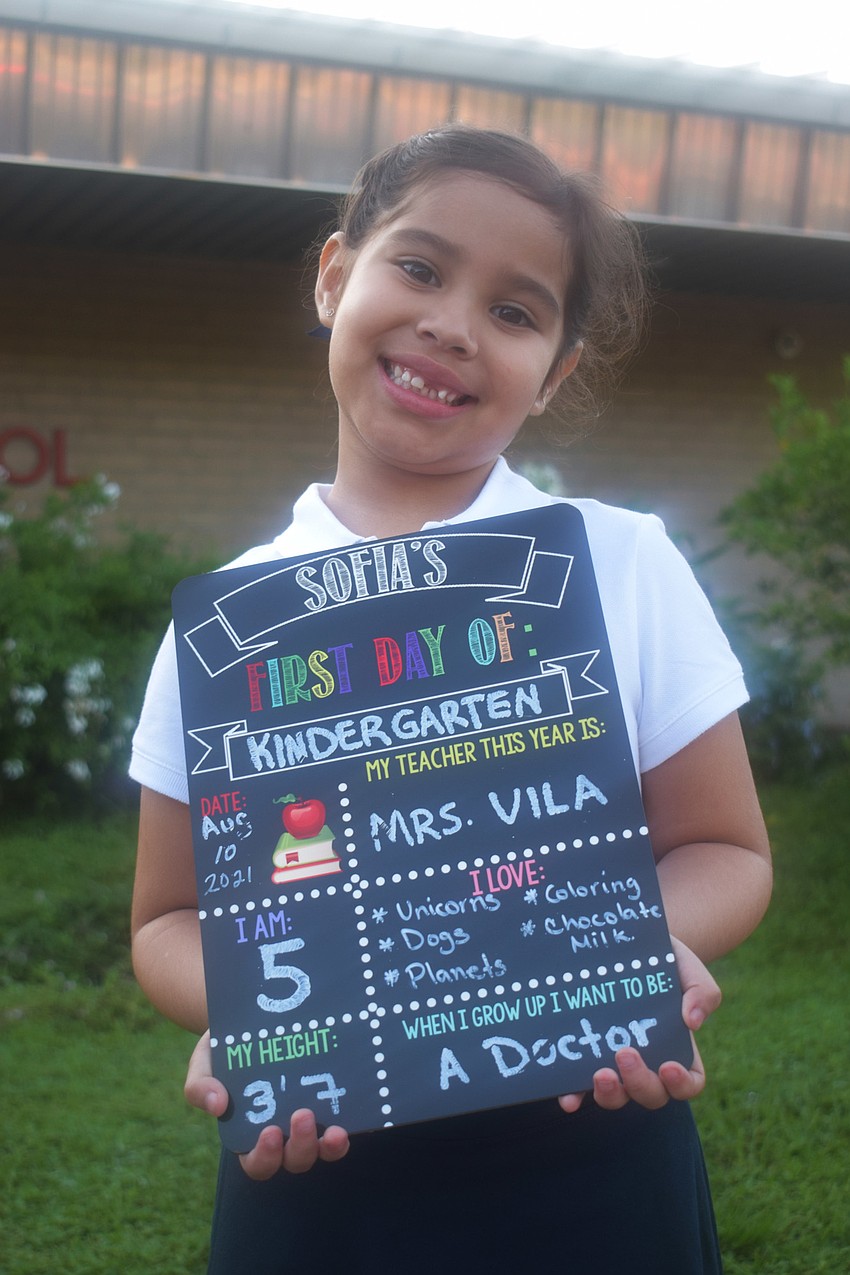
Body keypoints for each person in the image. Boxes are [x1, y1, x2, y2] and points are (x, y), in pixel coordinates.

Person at [130, 125, 772, 1273]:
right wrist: (247, 1016)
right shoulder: (222, 625)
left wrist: (631, 950)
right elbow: (166, 922)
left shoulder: (617, 562)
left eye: (516, 312)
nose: (451, 326)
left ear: (555, 373)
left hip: (592, 1138)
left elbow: (726, 846)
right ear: (335, 276)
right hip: (319, 1159)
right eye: (418, 268)